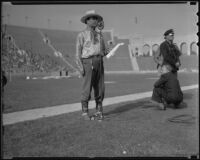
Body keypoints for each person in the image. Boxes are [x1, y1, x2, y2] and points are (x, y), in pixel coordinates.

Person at [76, 10, 110, 121]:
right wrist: (81, 68)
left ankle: (99, 111)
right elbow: (77, 53)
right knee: (87, 88)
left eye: (96, 18)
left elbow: (104, 51)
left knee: (100, 88)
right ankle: (85, 113)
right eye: (93, 18)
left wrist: (106, 51)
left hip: (99, 62)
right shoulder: (81, 35)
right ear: (87, 20)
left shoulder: (100, 35)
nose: (95, 20)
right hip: (87, 62)